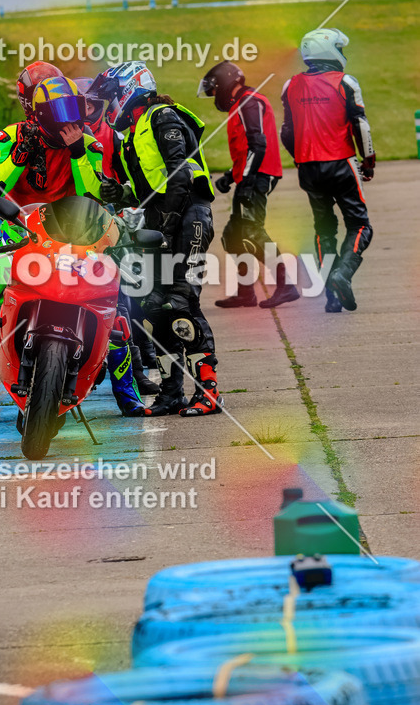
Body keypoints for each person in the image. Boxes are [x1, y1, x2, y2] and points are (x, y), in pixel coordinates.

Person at [0, 74, 145, 424]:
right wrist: (19, 156)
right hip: (21, 234)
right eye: (58, 110)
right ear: (37, 110)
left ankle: (127, 393)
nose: (68, 120)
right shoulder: (12, 136)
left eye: (71, 108)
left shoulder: (89, 142)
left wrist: (77, 151)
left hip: (77, 234)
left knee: (115, 309)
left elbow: (92, 192)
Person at [93, 62, 223, 417]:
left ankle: (208, 390)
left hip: (189, 218)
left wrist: (166, 225)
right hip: (159, 225)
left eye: (112, 97)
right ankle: (171, 392)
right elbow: (144, 191)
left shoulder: (162, 116)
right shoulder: (133, 134)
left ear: (130, 89)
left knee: (180, 302)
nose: (109, 107)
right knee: (151, 306)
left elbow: (181, 173)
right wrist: (118, 192)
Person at [75, 75, 159, 398]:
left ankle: (135, 374)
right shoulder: (64, 138)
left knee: (124, 299)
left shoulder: (116, 139)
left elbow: (132, 185)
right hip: (71, 225)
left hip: (108, 225)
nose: (87, 112)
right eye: (81, 106)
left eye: (92, 105)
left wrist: (125, 210)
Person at [281, 28, 375, 312]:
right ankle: (342, 274)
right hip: (341, 162)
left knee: (324, 230)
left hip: (308, 169)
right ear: (329, 51)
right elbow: (361, 124)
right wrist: (368, 160)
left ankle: (331, 297)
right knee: (360, 225)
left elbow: (287, 132)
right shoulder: (345, 82)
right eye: (339, 48)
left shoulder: (290, 85)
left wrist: (300, 160)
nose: (343, 53)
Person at [199, 61, 299, 309]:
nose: (214, 97)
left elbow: (258, 144)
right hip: (250, 176)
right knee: (234, 236)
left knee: (252, 232)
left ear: (224, 85)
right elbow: (246, 150)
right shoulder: (241, 104)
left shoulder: (247, 102)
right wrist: (230, 177)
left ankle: (286, 286)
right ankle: (245, 293)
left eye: (214, 91)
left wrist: (246, 179)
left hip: (258, 177)